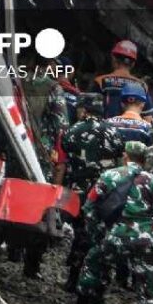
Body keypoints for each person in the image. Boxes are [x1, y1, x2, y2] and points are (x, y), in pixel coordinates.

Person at [61, 140, 153, 304]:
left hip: (116, 234)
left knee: (93, 265)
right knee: (147, 283)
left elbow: (90, 205)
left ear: (125, 155)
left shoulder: (110, 175)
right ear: (144, 160)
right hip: (147, 239)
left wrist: (97, 232)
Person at [53, 92, 123, 292]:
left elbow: (62, 163)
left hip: (80, 193)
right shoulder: (114, 133)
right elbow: (119, 161)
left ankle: (73, 281)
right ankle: (97, 285)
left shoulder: (72, 131)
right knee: (100, 237)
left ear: (83, 109)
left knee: (81, 235)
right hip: (105, 194)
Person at [91, 39, 153, 119]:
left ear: (113, 59)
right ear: (133, 64)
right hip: (133, 130)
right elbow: (148, 117)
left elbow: (90, 113)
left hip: (106, 129)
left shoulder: (100, 82)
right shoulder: (142, 86)